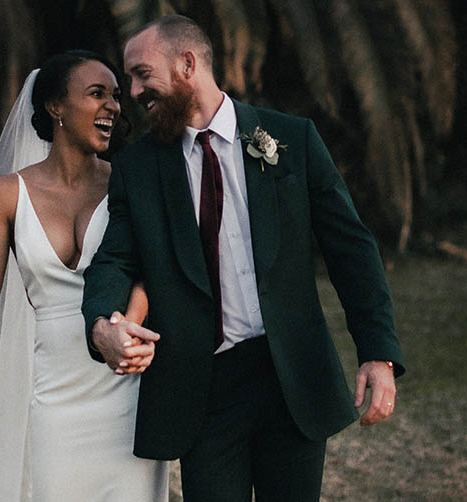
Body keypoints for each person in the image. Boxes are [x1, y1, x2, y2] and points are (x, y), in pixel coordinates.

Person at [82, 15, 405, 502]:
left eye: (142, 74)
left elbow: (351, 249)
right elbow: (114, 260)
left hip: (291, 379)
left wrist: (377, 354)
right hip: (203, 391)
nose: (132, 90)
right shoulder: (139, 167)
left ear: (188, 63)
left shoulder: (291, 139)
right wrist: (101, 325)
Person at [0, 50, 168, 501]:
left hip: (127, 388)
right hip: (55, 397)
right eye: (96, 94)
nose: (112, 105)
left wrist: (127, 330)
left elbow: (153, 269)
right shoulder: (6, 195)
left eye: (114, 96)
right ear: (55, 106)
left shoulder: (128, 181)